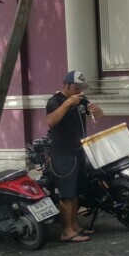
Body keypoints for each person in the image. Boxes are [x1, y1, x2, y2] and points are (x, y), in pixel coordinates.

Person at [45, 70, 103, 243]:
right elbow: (51, 121)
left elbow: (99, 116)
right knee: (67, 193)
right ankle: (66, 231)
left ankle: (74, 226)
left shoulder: (81, 100)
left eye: (81, 88)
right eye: (76, 87)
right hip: (63, 153)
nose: (79, 91)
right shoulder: (55, 101)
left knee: (76, 191)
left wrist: (96, 110)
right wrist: (67, 103)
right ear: (66, 84)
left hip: (79, 150)